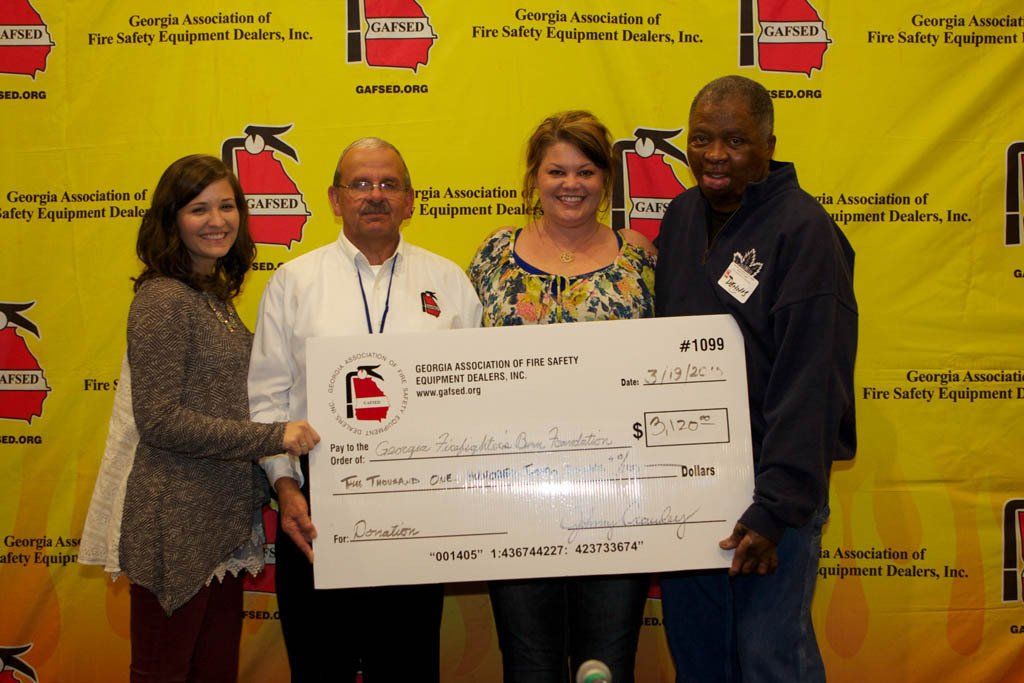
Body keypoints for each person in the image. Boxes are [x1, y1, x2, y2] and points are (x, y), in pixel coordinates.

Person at [248, 137, 482, 682]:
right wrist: (286, 488)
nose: (375, 195)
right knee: (319, 668)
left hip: (418, 511)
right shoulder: (293, 282)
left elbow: (474, 398)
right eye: (360, 184)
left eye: (388, 184)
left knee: (407, 668)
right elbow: (267, 398)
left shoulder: (448, 282)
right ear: (334, 199)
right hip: (314, 512)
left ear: (410, 200)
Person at [81, 154, 319, 682]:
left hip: (220, 521)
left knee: (212, 672)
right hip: (176, 524)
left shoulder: (213, 298)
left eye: (227, 207)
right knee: (164, 672)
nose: (217, 221)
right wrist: (274, 435)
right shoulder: (164, 299)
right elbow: (160, 421)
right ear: (171, 220)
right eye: (198, 209)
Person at [655, 75, 857, 682]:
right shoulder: (681, 216)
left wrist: (776, 508)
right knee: (701, 663)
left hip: (770, 496)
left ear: (769, 145)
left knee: (772, 662)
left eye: (736, 141)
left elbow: (812, 382)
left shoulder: (804, 232)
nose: (715, 155)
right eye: (701, 139)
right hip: (688, 487)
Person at [467, 110, 656, 682]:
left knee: (608, 664)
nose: (571, 184)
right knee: (530, 664)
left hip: (620, 497)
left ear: (606, 180)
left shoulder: (641, 257)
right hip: (514, 495)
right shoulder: (493, 257)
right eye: (556, 171)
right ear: (534, 178)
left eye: (586, 171)